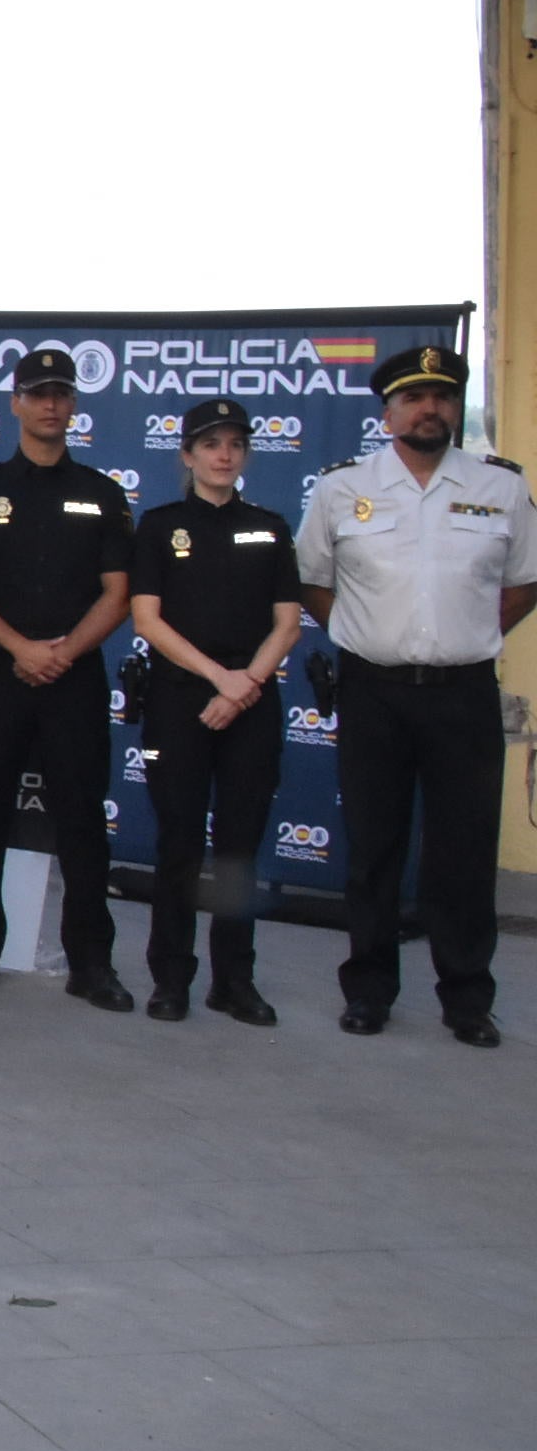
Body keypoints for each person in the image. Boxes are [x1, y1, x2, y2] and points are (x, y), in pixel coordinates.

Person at [295, 344, 537, 1047]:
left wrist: (467, 632)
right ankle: (368, 990)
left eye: (443, 396)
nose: (430, 409)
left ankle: (466, 998)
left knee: (462, 852)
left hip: (463, 693)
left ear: (455, 408)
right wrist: (366, 631)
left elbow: (524, 580)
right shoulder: (343, 488)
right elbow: (314, 577)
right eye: (415, 397)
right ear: (389, 411)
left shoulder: (501, 487)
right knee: (373, 848)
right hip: (375, 690)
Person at [0, 347, 137, 1010]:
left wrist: (61, 653)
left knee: (83, 821)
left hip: (74, 678)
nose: (51, 404)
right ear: (16, 404)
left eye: (62, 393)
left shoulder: (104, 495)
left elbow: (118, 594)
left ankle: (92, 963)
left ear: (74, 406)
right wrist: (22, 648)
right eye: (38, 393)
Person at [130, 397, 302, 1026]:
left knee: (237, 852)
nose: (223, 455)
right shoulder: (158, 525)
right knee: (178, 846)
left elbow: (288, 623)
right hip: (181, 702)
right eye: (210, 445)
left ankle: (234, 981)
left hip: (251, 703)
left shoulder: (270, 526)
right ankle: (170, 978)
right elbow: (146, 618)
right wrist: (219, 680)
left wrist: (244, 685)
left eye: (234, 444)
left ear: (245, 454)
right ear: (187, 455)